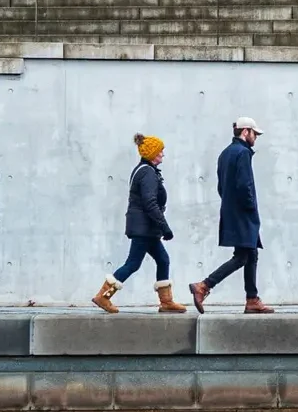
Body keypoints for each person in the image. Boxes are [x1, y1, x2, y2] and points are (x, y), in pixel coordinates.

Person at [92, 134, 186, 314]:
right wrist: (165, 227)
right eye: (160, 151)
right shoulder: (147, 173)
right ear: (152, 154)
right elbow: (150, 203)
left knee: (163, 260)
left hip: (146, 228)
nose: (163, 154)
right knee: (133, 263)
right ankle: (103, 296)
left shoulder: (144, 170)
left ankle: (166, 302)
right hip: (144, 228)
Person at [189, 117, 273, 314]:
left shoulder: (225, 153)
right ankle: (204, 285)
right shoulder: (243, 153)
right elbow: (244, 185)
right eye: (254, 133)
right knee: (242, 256)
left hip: (232, 211)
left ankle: (252, 299)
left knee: (251, 253)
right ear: (245, 132)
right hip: (243, 213)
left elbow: (221, 187)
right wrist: (250, 207)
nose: (256, 137)